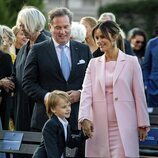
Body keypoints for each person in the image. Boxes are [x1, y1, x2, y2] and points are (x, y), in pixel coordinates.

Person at [22, 7, 92, 157]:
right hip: (45, 121)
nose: (62, 31)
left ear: (70, 26)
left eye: (66, 27)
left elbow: (92, 82)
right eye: (58, 27)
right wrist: (49, 98)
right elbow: (27, 82)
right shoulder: (38, 50)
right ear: (50, 27)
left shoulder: (84, 50)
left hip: (76, 120)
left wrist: (80, 94)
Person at [78, 21, 150, 158]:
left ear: (115, 36)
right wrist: (84, 117)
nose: (99, 41)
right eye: (97, 38)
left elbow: (139, 95)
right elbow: (86, 93)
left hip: (125, 125)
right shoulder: (93, 63)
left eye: (102, 37)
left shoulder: (131, 62)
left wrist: (143, 123)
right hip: (98, 126)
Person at [12, 6, 49, 132]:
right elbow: (16, 73)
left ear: (33, 24)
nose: (20, 28)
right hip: (22, 109)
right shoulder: (23, 49)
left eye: (23, 25)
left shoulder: (48, 46)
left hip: (40, 110)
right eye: (20, 25)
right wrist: (9, 81)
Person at [33, 90, 88, 158]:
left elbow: (70, 143)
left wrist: (84, 134)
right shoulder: (50, 125)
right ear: (53, 109)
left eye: (69, 105)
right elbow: (52, 151)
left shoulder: (65, 124)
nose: (68, 109)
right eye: (64, 107)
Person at [143, 36, 158, 107]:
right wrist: (146, 84)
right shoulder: (152, 43)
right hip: (153, 89)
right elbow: (146, 66)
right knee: (153, 117)